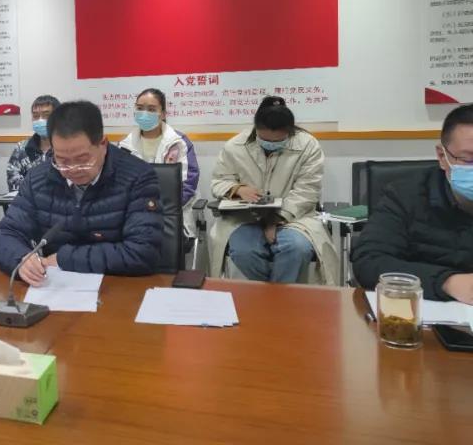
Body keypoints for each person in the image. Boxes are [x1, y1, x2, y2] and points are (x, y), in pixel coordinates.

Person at [0, 101, 163, 284]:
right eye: (62, 160)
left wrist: (65, 259)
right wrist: (21, 259)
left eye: (82, 160)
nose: (73, 169)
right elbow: (5, 235)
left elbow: (143, 252)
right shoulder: (38, 179)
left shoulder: (137, 177)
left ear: (103, 144)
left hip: (119, 287)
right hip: (55, 287)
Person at [209, 96, 337, 284]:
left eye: (278, 141)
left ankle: (272, 297)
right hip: (245, 218)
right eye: (264, 140)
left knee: (296, 249)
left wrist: (276, 220)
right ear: (255, 129)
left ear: (290, 131)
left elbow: (307, 191)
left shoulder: (308, 146)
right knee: (244, 252)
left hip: (293, 217)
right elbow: (219, 181)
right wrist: (237, 189)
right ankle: (277, 294)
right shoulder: (234, 146)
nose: (271, 145)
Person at [352, 104, 473, 301]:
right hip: (423, 311)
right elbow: (369, 263)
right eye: (468, 160)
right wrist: (447, 282)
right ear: (442, 156)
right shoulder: (405, 197)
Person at [118, 88, 200, 234]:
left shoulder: (178, 143)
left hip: (171, 215)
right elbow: (119, 186)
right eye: (140, 108)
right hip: (134, 215)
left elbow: (188, 184)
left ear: (162, 113)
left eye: (151, 109)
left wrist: (160, 208)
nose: (144, 113)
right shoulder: (124, 146)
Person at [6, 95, 60, 192]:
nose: (40, 120)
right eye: (35, 116)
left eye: (46, 115)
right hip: (27, 199)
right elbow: (12, 179)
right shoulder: (22, 148)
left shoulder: (67, 148)